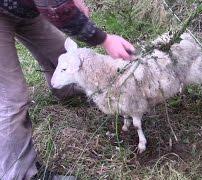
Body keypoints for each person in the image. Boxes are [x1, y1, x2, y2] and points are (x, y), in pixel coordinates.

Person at [0, 0, 135, 179]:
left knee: (62, 52)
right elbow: (54, 6)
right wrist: (103, 39)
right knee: (11, 97)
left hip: (22, 8)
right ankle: (20, 174)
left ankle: (67, 91)